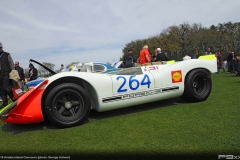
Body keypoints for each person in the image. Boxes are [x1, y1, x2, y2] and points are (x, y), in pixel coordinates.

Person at [0, 42, 15, 109]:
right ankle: (5, 102)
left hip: (6, 73)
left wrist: (13, 72)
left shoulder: (7, 54)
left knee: (7, 88)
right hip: (0, 74)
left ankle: (14, 100)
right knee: (1, 89)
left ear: (1, 48)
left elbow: (11, 64)